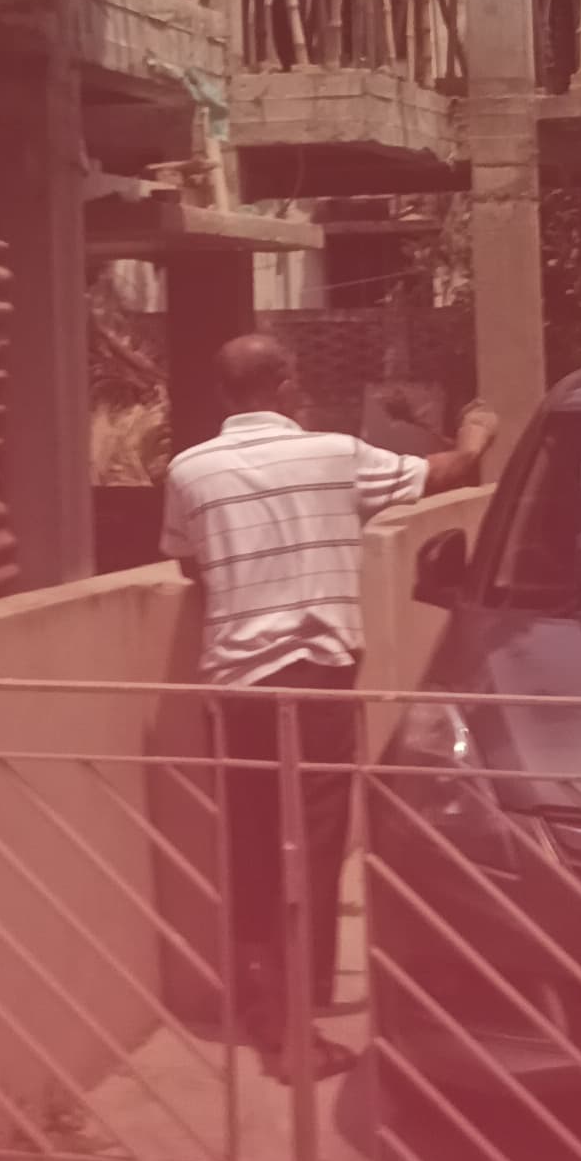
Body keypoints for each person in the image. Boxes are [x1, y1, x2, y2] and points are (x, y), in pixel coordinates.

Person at [161, 332, 498, 1072]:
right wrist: (477, 433)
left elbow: (189, 563)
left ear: (222, 395)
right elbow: (444, 472)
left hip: (235, 686)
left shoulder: (189, 468)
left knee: (250, 843)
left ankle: (259, 999)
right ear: (285, 385)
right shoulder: (334, 455)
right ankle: (294, 1031)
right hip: (314, 682)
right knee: (311, 851)